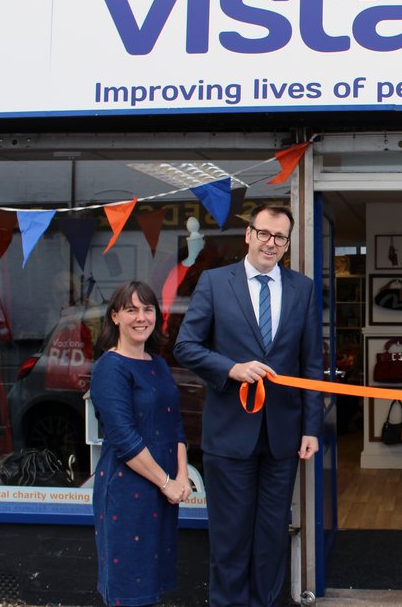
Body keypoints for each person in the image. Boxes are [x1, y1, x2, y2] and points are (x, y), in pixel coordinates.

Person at [174, 204, 323, 607]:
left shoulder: (302, 288)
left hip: (283, 436)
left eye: (280, 237)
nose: (271, 243)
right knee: (230, 535)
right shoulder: (214, 282)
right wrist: (231, 368)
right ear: (248, 235)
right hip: (229, 432)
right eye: (264, 234)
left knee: (272, 533)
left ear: (288, 243)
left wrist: (312, 427)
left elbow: (310, 363)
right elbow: (186, 346)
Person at [89, 281, 191, 607]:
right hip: (126, 490)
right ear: (115, 316)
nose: (140, 317)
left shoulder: (158, 364)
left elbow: (174, 423)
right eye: (131, 309)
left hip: (161, 491)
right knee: (127, 589)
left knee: (150, 585)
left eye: (147, 309)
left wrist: (182, 475)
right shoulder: (110, 367)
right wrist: (166, 482)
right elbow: (124, 438)